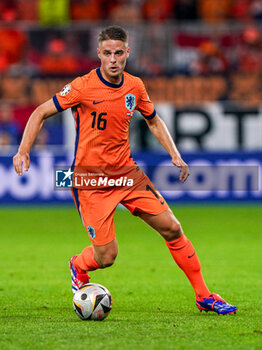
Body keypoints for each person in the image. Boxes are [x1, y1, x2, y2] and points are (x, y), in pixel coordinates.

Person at [13, 26, 237, 315]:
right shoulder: (82, 86)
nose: (113, 59)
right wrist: (23, 150)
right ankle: (78, 265)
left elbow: (153, 120)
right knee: (107, 257)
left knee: (172, 228)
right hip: (90, 180)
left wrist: (175, 154)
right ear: (99, 54)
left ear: (127, 53)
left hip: (127, 175)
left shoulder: (135, 86)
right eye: (107, 53)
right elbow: (40, 112)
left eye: (119, 53)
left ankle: (204, 295)